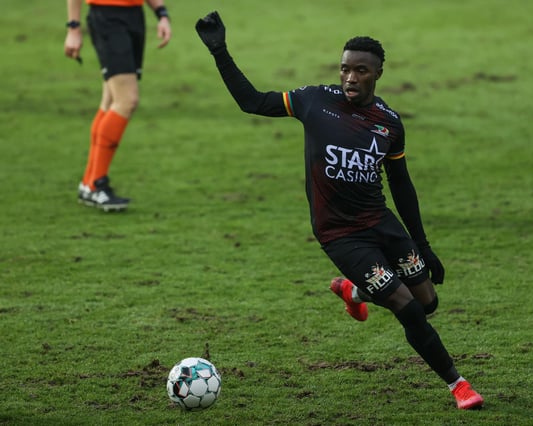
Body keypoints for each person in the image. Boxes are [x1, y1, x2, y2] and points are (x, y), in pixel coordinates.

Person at [195, 11, 485, 410]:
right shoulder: (315, 101)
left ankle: (353, 289)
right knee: (409, 308)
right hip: (340, 234)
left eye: (360, 71)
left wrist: (423, 244)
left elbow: (401, 184)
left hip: (381, 221)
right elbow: (252, 102)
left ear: (377, 73)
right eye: (345, 69)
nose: (350, 77)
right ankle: (459, 385)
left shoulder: (389, 123)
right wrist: (219, 51)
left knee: (429, 301)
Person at [64, 0, 172, 212]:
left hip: (134, 16)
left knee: (111, 101)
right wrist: (73, 27)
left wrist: (161, 12)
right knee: (127, 100)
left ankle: (89, 183)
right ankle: (97, 184)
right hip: (107, 17)